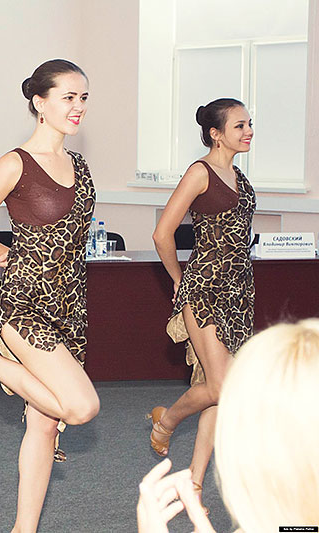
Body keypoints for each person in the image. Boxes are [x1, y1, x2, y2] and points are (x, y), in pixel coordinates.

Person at [0, 60, 99, 533]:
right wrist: (8, 256)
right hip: (24, 304)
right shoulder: (16, 163)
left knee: (44, 423)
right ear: (39, 103)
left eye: (83, 98)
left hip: (69, 305)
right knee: (81, 407)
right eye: (68, 97)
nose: (78, 107)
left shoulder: (80, 164)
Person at [148, 98, 255, 508]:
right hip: (205, 289)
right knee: (221, 386)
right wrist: (179, 279)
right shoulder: (200, 172)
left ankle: (193, 485)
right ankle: (167, 420)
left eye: (249, 123)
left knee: (219, 390)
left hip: (238, 293)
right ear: (215, 133)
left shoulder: (239, 175)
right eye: (239, 125)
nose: (248, 131)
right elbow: (163, 233)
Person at [137, 320, 319, 532]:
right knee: (219, 385)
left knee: (220, 387)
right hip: (204, 301)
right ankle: (168, 425)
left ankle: (187, 467)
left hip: (237, 301)